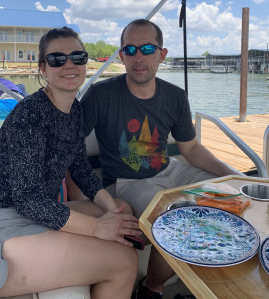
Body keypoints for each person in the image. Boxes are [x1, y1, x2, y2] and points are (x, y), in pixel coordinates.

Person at [0, 27, 141, 299]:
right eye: (57, 59)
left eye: (77, 57)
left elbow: (81, 169)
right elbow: (28, 198)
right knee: (124, 260)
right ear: (43, 69)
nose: (69, 64)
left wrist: (112, 209)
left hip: (31, 216)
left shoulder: (75, 112)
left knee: (124, 210)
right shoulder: (29, 115)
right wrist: (98, 228)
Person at [80, 19, 243, 299]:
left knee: (234, 194)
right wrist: (78, 193)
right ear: (121, 56)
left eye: (146, 48)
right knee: (177, 224)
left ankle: (220, 275)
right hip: (127, 181)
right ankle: (151, 288)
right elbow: (69, 146)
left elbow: (190, 148)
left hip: (173, 171)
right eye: (130, 50)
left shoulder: (175, 96)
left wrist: (232, 174)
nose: (138, 57)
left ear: (162, 54)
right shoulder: (100, 95)